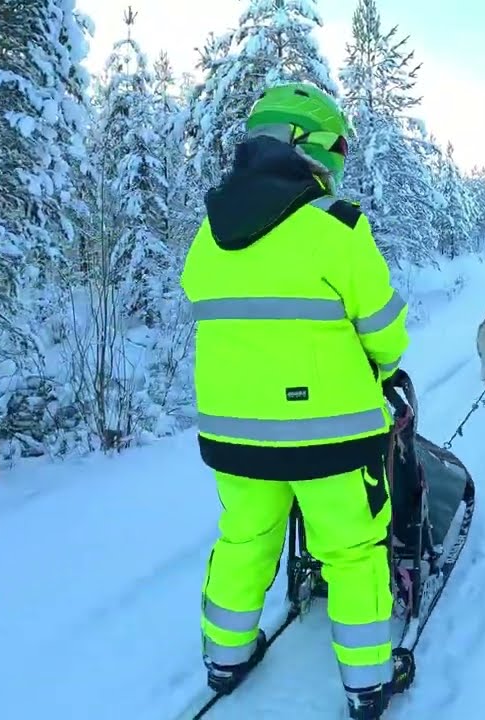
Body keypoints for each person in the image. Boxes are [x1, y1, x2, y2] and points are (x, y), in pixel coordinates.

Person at [179, 81, 414, 720]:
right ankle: (367, 682)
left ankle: (225, 657)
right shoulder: (337, 226)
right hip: (330, 438)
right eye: (336, 146)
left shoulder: (210, 232)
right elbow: (385, 331)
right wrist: (382, 367)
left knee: (244, 537)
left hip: (234, 436)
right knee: (352, 552)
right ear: (306, 144)